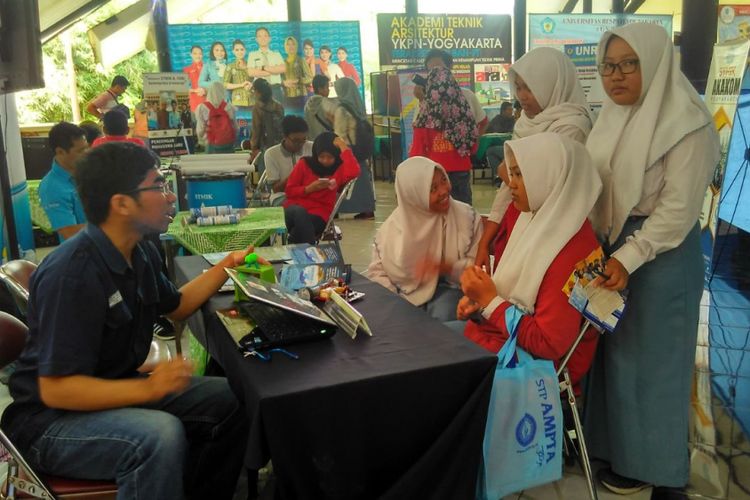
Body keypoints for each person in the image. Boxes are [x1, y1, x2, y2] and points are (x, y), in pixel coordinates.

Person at [1, 142, 252, 500]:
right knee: (156, 436)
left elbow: (177, 306)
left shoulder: (140, 249)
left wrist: (227, 265)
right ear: (121, 203)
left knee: (232, 399)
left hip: (110, 393)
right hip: (49, 423)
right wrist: (148, 388)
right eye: (158, 185)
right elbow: (58, 389)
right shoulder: (73, 273)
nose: (169, 196)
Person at [582, 23, 720, 499]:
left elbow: (678, 211)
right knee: (617, 357)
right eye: (607, 66)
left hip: (660, 256)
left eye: (628, 64)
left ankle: (662, 473)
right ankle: (618, 451)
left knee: (656, 366)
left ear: (656, 62)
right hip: (613, 247)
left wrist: (630, 254)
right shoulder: (611, 117)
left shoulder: (687, 124)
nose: (614, 77)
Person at [456, 132, 601, 387]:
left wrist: (489, 302)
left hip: (531, 369)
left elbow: (549, 342)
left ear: (551, 178)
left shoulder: (572, 250)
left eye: (520, 175)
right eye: (512, 174)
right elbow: (510, 295)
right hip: (504, 344)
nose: (511, 183)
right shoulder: (533, 219)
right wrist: (479, 304)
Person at [475, 46, 594, 271]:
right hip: (519, 222)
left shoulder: (573, 126)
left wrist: (507, 170)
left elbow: (542, 188)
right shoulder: (525, 124)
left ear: (551, 84)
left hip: (554, 231)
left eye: (529, 87)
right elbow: (508, 187)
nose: (522, 96)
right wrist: (485, 240)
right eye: (518, 87)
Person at [366, 156, 482, 321]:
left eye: (444, 180)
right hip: (404, 294)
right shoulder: (392, 229)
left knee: (441, 320)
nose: (444, 191)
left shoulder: (466, 219)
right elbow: (377, 273)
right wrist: (396, 302)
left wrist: (445, 268)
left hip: (452, 290)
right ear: (414, 196)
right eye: (433, 189)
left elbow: (477, 271)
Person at [409, 66, 478, 205]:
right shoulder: (464, 114)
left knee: (438, 215)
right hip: (461, 172)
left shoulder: (424, 118)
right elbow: (473, 147)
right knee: (463, 213)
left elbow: (417, 154)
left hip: (434, 176)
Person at [283, 132, 360, 244]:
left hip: (319, 213)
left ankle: (296, 255)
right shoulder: (304, 164)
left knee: (299, 229)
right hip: (294, 209)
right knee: (300, 213)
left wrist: (343, 146)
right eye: (321, 157)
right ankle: (310, 255)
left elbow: (354, 171)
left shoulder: (339, 169)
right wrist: (309, 188)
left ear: (336, 155)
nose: (325, 161)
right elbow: (289, 192)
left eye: (330, 157)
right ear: (316, 154)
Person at [414, 49, 488, 135]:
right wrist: (423, 101)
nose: (435, 73)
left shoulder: (468, 95)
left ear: (450, 67)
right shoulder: (424, 99)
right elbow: (420, 131)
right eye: (431, 71)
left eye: (439, 69)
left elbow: (483, 123)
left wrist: (475, 146)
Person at [333, 77, 376, 218]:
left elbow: (339, 132)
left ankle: (339, 209)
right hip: (360, 147)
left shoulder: (342, 108)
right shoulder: (357, 104)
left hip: (347, 148)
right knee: (362, 178)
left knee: (343, 179)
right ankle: (367, 208)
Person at [39, 122, 89, 241]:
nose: (87, 153)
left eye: (87, 147)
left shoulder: (88, 170)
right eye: (80, 151)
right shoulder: (52, 188)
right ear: (60, 152)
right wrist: (113, 227)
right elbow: (70, 232)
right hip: (83, 252)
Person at [264, 115, 313, 207]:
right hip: (282, 196)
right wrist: (294, 176)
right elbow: (275, 189)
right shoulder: (271, 154)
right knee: (297, 208)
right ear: (285, 136)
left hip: (309, 193)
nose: (300, 144)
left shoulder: (312, 148)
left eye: (304, 140)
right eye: (296, 141)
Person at [249, 78, 284, 168]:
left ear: (258, 92)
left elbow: (256, 130)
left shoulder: (257, 108)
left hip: (264, 147)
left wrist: (254, 148)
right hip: (280, 146)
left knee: (265, 174)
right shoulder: (278, 106)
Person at [195, 81, 238, 153]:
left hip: (211, 145)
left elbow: (200, 130)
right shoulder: (229, 107)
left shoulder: (202, 108)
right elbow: (236, 128)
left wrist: (202, 141)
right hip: (228, 145)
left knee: (212, 164)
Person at [246, 27, 285, 104]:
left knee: (277, 114)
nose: (262, 38)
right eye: (259, 36)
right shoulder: (252, 55)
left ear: (269, 38)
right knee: (260, 114)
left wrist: (263, 68)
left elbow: (282, 69)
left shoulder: (276, 54)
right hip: (259, 90)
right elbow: (251, 72)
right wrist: (273, 70)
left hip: (275, 89)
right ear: (256, 39)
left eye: (265, 35)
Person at [282, 36, 313, 111]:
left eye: (293, 44)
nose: (291, 46)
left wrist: (298, 80)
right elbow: (279, 79)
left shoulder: (301, 60)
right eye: (288, 44)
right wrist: (283, 83)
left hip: (300, 96)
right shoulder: (282, 62)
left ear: (296, 46)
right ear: (285, 47)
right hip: (287, 96)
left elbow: (310, 78)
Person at [223, 39, 253, 108]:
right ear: (233, 51)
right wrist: (241, 85)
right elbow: (225, 84)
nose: (240, 52)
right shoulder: (230, 66)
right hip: (238, 101)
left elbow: (256, 79)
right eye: (237, 50)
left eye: (242, 49)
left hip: (252, 100)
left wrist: (252, 85)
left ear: (245, 50)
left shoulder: (250, 65)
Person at [304, 74, 334, 140]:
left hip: (313, 143)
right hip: (326, 141)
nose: (329, 90)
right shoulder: (327, 104)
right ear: (320, 89)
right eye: (327, 87)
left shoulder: (307, 105)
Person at [183, 45, 206, 111]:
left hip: (207, 102)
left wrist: (205, 90)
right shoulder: (186, 70)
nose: (198, 56)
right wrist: (195, 90)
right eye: (195, 53)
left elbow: (212, 84)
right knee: (196, 121)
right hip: (194, 103)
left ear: (202, 55)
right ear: (191, 55)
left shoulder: (207, 68)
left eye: (200, 53)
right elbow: (184, 87)